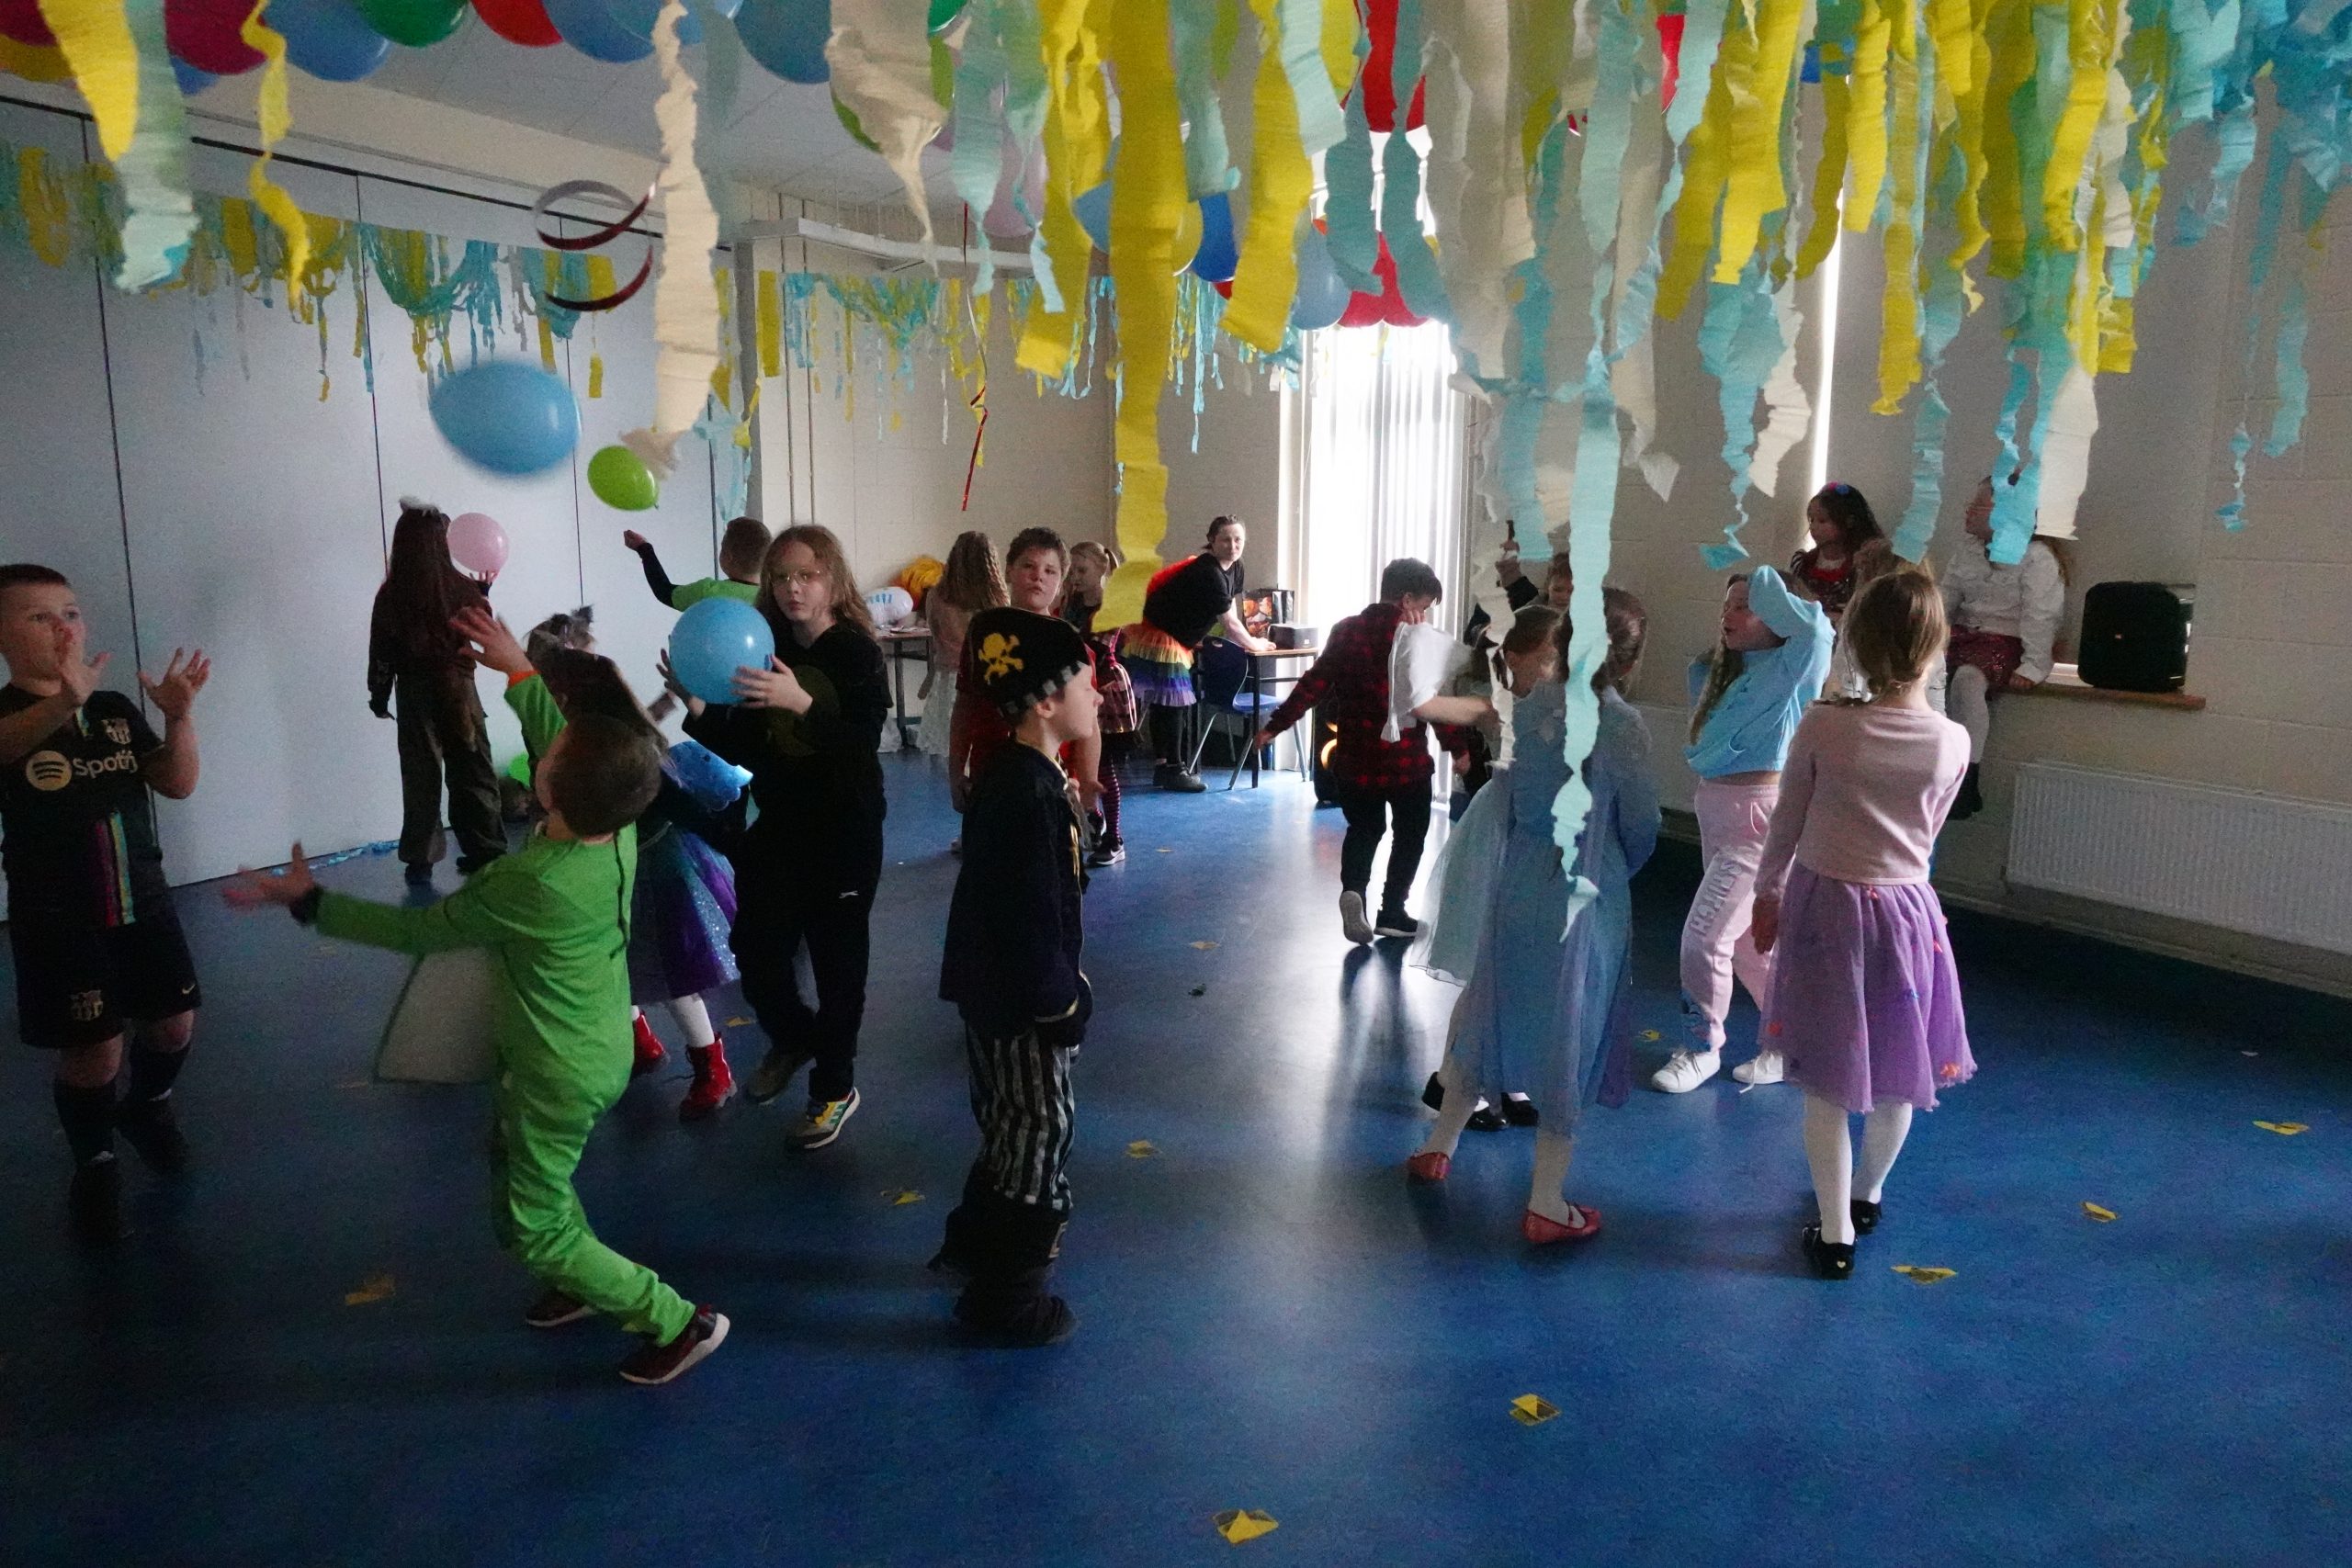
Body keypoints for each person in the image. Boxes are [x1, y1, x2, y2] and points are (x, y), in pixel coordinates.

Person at [227, 626, 728, 1382]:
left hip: (555, 1071)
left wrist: (310, 902)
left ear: (549, 790)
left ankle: (674, 1319)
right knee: (526, 1171)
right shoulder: (618, 829)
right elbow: (565, 747)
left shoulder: (529, 883)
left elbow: (416, 931)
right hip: (593, 1050)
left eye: (552, 754)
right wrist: (521, 672)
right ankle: (579, 1277)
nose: (546, 743)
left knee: (534, 1225)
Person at [1409, 592, 1659, 1245]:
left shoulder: (1536, 704)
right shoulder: (1623, 724)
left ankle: (1439, 1145)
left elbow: (1519, 795)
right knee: (1571, 1026)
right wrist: (1616, 867)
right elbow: (1641, 822)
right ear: (1628, 660)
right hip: (1586, 887)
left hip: (1521, 877)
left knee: (1491, 1002)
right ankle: (1547, 1199)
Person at [1750, 568, 1973, 1280]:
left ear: (1856, 642)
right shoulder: (1953, 740)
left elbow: (1785, 822)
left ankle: (1835, 1231)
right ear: (1936, 646)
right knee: (1897, 1073)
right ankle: (1867, 1194)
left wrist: (1766, 891)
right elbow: (1928, 833)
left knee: (1826, 1081)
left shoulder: (1824, 724)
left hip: (1828, 914)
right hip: (1908, 916)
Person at [0, 564, 210, 1243]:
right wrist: (61, 704)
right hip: (57, 915)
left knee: (173, 1024)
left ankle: (149, 1106)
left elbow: (176, 782)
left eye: (71, 613)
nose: (63, 628)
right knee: (95, 1051)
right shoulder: (8, 717)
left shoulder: (114, 708)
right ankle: (94, 1162)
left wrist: (179, 717)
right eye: (40, 617)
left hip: (142, 898)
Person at [674, 525, 889, 1151]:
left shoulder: (855, 653)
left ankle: (835, 1087)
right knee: (756, 949)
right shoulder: (761, 645)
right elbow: (749, 748)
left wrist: (802, 703)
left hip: (844, 828)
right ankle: (796, 1038)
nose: (793, 588)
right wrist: (699, 709)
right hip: (779, 826)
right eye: (781, 577)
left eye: (807, 575)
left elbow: (859, 746)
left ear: (832, 580)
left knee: (837, 966)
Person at [932, 606, 1100, 1346]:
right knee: (1041, 1129)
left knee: (1007, 1118)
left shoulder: (1016, 774)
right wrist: (1059, 1002)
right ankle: (1009, 1298)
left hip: (990, 989)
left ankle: (974, 1242)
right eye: (1086, 684)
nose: (1097, 695)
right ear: (1046, 701)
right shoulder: (1027, 793)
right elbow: (1028, 916)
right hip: (1022, 1002)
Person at [529, 642, 745, 1121]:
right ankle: (640, 1042)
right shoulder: (582, 745)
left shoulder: (628, 757)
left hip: (659, 872)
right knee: (615, 961)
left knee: (673, 976)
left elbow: (682, 808)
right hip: (613, 871)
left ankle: (712, 1067)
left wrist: (737, 846)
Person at [1655, 565, 1833, 1094]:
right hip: (1717, 810)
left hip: (1758, 822)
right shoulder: (1712, 673)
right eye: (1726, 605)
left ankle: (1701, 1047)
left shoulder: (1793, 666)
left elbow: (1817, 630)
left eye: (1745, 607)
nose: (1728, 615)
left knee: (1704, 939)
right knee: (1752, 946)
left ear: (1776, 614)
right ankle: (1791, 1042)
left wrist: (1765, 584)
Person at [1253, 558, 1492, 945]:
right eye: (1425, 605)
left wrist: (1274, 726)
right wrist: (1458, 749)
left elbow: (1313, 685)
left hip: (1354, 760)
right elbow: (1432, 702)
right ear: (1407, 599)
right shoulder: (1418, 640)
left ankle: (1354, 892)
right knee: (1410, 833)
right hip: (1405, 763)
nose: (1426, 614)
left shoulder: (1346, 631)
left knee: (1364, 829)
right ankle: (1392, 912)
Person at [1419, 604, 1565, 1133]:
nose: (1555, 670)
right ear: (1515, 658)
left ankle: (1505, 1074)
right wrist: (1418, 664)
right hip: (1500, 838)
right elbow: (1427, 704)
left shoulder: (1565, 705)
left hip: (1538, 841)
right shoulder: (1497, 704)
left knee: (1520, 971)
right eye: (1547, 659)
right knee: (1489, 971)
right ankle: (1448, 1077)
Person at [369, 502, 504, 886]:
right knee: (473, 771)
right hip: (460, 691)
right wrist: (483, 594)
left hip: (414, 693)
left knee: (421, 776)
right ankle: (486, 851)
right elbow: (484, 632)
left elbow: (381, 652)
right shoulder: (463, 588)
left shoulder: (391, 594)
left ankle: (421, 859)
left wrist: (379, 695)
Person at [952, 529, 1099, 825]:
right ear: (1009, 571)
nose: (1038, 577)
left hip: (1053, 776)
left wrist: (1088, 779)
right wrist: (955, 772)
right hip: (990, 770)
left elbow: (1090, 722)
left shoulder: (1070, 645)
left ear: (1061, 581)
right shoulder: (983, 633)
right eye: (1028, 566)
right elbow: (966, 705)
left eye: (1049, 571)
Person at [1941, 475, 2067, 820]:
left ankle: (1967, 777)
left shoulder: (2036, 557)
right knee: (1924, 675)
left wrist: (2033, 666)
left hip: (2005, 640)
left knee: (1968, 680)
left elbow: (2042, 615)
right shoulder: (1967, 551)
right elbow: (1945, 598)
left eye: (1978, 505)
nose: (1969, 510)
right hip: (1964, 635)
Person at [1123, 515, 1274, 793]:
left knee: (1165, 701)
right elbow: (1229, 622)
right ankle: (1173, 769)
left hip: (1178, 636)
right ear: (1212, 541)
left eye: (1238, 540)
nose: (1232, 546)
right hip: (1162, 632)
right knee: (1173, 702)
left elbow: (1230, 608)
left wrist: (1247, 638)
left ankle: (1164, 767)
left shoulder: (1236, 567)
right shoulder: (1208, 571)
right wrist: (1255, 644)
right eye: (1225, 539)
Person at [1063, 540, 1140, 867]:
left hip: (1104, 690)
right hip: (1078, 685)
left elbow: (1094, 649)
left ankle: (1115, 838)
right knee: (1080, 761)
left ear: (1101, 569)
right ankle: (1093, 820)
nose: (1076, 577)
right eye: (1072, 571)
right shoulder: (1071, 603)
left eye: (1082, 570)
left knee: (1103, 765)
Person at [920, 532, 1005, 791]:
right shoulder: (996, 599)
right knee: (982, 748)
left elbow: (934, 634)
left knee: (952, 748)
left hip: (946, 678)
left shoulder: (936, 596)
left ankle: (957, 792)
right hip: (984, 680)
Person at [1787, 481, 1892, 621]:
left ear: (1849, 522)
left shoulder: (1862, 564)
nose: (1813, 527)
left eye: (1822, 521)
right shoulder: (1804, 563)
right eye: (1812, 520)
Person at [623, 516, 772, 610]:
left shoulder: (708, 593)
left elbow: (664, 592)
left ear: (728, 557)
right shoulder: (771, 601)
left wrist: (644, 549)